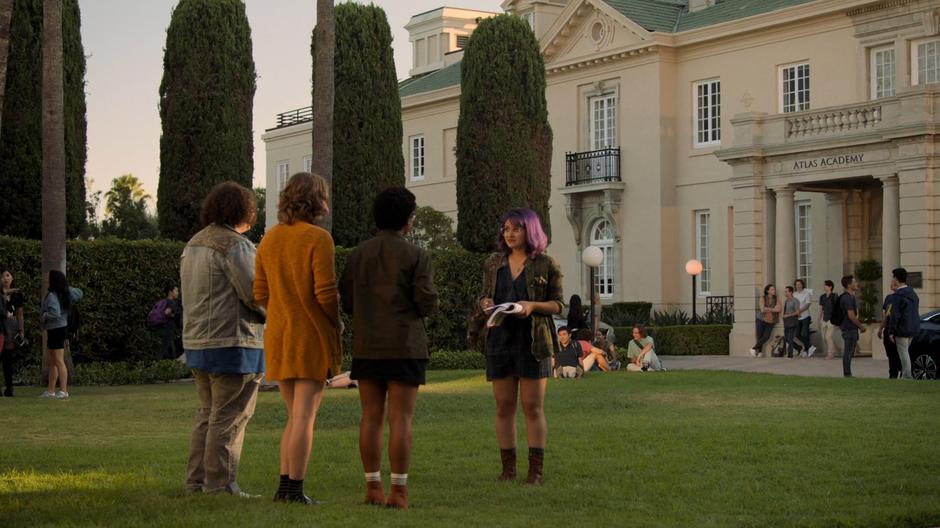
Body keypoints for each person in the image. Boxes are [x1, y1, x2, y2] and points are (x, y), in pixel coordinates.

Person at [339, 187, 439, 510]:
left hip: (367, 346)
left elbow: (349, 302)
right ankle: (398, 492)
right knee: (401, 419)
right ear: (409, 221)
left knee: (370, 417)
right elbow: (426, 304)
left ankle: (372, 487)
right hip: (405, 347)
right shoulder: (417, 256)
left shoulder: (358, 255)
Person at [254, 172, 342, 505]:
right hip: (310, 335)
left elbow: (259, 292)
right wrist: (336, 322)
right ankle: (295, 489)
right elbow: (325, 293)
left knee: (294, 416)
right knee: (305, 417)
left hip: (278, 334)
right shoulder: (318, 238)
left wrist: (282, 310)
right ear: (316, 200)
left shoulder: (269, 238)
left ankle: (284, 487)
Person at [181, 181, 265, 498]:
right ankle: (220, 485)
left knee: (207, 415)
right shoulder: (235, 245)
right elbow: (255, 293)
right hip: (233, 341)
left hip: (197, 341)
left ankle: (197, 482)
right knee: (230, 417)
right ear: (244, 211)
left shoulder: (194, 244)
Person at [478, 208, 562, 485]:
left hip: (533, 342)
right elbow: (484, 296)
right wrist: (486, 304)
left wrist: (532, 306)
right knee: (503, 407)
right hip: (500, 339)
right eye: (506, 229)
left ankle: (535, 472)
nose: (510, 234)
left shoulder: (546, 264)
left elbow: (557, 304)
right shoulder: (493, 263)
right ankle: (508, 470)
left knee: (532, 407)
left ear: (530, 230)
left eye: (516, 228)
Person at [39, 270, 82, 399]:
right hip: (59, 328)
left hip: (56, 329)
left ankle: (63, 390)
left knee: (58, 360)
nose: (47, 279)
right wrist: (67, 289)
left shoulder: (52, 295)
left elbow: (55, 312)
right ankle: (51, 390)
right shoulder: (63, 293)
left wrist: (45, 315)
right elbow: (79, 293)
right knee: (53, 361)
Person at [887, 268, 920, 380]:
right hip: (913, 327)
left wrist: (891, 331)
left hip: (902, 329)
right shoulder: (913, 294)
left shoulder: (898, 296)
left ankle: (907, 375)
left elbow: (895, 315)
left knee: (903, 353)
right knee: (906, 352)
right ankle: (906, 374)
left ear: (896, 279)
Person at [1, 269, 25, 397]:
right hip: (1, 326)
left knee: (8, 359)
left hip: (11, 327)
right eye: (3, 276)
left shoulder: (17, 294)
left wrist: (21, 330)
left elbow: (20, 314)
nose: (5, 278)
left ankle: (10, 387)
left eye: (8, 275)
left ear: (12, 278)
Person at [839, 275, 866, 378]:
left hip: (849, 328)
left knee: (850, 351)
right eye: (854, 282)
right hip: (849, 328)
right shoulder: (847, 298)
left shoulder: (850, 297)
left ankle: (847, 373)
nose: (856, 284)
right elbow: (851, 316)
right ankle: (847, 374)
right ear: (849, 284)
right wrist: (861, 326)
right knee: (848, 351)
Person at [750, 284, 781, 357]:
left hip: (771, 320)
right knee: (759, 336)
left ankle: (753, 348)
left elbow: (779, 309)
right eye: (772, 289)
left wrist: (768, 308)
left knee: (766, 336)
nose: (774, 291)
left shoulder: (777, 299)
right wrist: (773, 309)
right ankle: (760, 352)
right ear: (768, 291)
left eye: (774, 289)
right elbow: (762, 309)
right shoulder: (762, 298)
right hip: (761, 319)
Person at [153, 284, 182, 360]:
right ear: (170, 292)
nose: (178, 293)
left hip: (162, 329)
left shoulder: (164, 301)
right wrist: (174, 316)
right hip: (168, 330)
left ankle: (162, 365)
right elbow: (167, 312)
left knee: (166, 350)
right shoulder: (172, 303)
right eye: (176, 291)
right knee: (167, 352)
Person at [877, 285, 900, 379]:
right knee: (891, 353)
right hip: (889, 328)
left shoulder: (902, 297)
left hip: (898, 329)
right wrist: (881, 328)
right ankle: (893, 373)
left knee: (898, 353)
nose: (892, 285)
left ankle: (898, 371)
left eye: (895, 284)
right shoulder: (889, 298)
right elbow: (886, 315)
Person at [793, 279, 815, 357]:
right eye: (796, 284)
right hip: (797, 318)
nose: (798, 286)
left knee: (804, 334)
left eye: (799, 284)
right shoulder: (794, 294)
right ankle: (810, 346)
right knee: (797, 334)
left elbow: (807, 305)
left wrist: (799, 311)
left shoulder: (807, 293)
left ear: (802, 285)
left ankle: (806, 350)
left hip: (805, 316)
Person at [818, 280, 838, 360]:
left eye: (825, 285)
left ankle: (830, 354)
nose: (824, 287)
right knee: (824, 337)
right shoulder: (822, 297)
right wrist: (819, 319)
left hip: (832, 319)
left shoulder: (835, 296)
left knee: (828, 337)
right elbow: (821, 309)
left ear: (830, 287)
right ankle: (834, 349)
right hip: (824, 318)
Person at [782, 286, 802, 359]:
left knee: (790, 338)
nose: (785, 293)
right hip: (786, 322)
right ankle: (799, 348)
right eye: (785, 291)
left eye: (786, 291)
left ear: (790, 292)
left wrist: (788, 315)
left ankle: (790, 354)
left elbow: (797, 312)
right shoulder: (786, 301)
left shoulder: (795, 301)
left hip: (793, 321)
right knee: (787, 338)